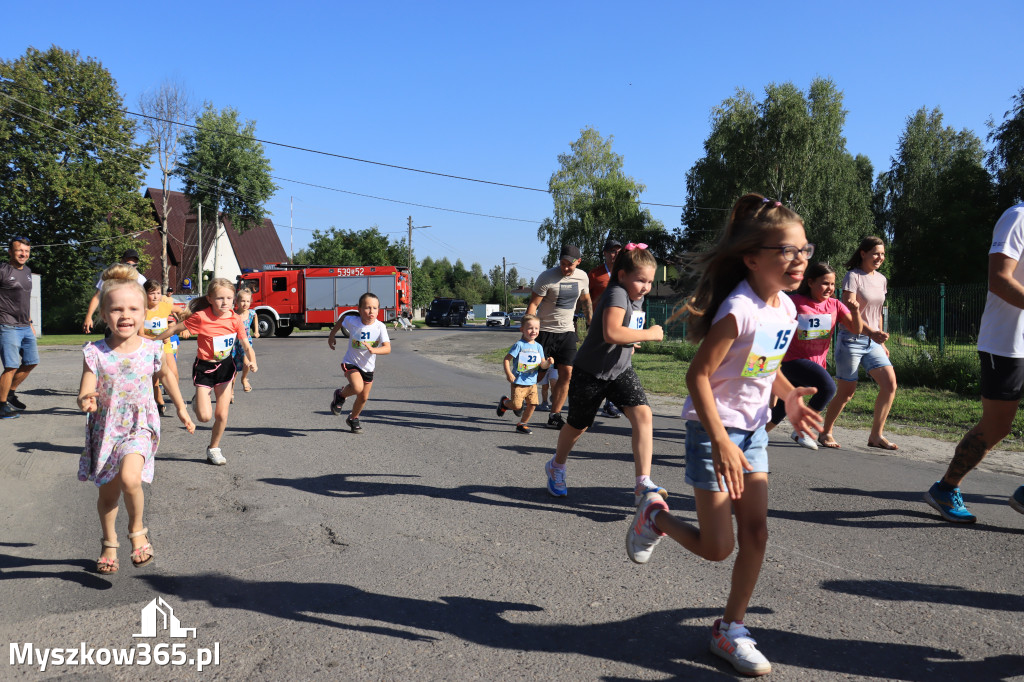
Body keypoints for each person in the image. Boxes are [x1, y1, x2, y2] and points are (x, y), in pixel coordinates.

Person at [626, 195, 821, 677]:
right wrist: (720, 439)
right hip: (713, 429)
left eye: (804, 250)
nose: (799, 261)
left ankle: (729, 629)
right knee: (718, 548)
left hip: (751, 432)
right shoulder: (739, 309)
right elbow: (698, 377)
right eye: (787, 251)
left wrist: (790, 396)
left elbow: (763, 367)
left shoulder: (787, 308)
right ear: (753, 257)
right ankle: (655, 517)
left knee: (756, 532)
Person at [77, 265, 194, 574]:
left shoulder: (153, 348)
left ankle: (138, 531)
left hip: (140, 424)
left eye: (132, 308)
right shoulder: (95, 352)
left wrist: (181, 408)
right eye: (116, 309)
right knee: (108, 495)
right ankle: (109, 541)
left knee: (131, 479)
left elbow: (167, 377)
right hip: (106, 429)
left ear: (144, 313)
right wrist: (85, 399)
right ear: (104, 314)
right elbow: (87, 387)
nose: (125, 315)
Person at [924, 202, 1024, 523]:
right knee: (997, 425)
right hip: (1007, 343)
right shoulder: (1018, 217)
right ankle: (945, 487)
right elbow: (999, 279)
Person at [543, 243, 667, 501]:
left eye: (650, 281)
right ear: (622, 276)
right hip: (590, 372)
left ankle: (643, 482)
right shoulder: (617, 294)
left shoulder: (636, 296)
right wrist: (650, 334)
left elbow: (624, 330)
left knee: (644, 416)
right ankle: (557, 466)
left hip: (619, 370)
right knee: (578, 426)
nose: (646, 286)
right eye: (641, 280)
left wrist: (632, 341)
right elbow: (612, 332)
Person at [155, 278, 256, 465]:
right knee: (204, 417)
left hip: (226, 368)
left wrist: (252, 361)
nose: (225, 302)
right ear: (210, 299)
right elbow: (176, 328)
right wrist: (152, 342)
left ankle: (214, 448)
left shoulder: (235, 319)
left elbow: (245, 343)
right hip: (205, 369)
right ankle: (197, 400)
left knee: (222, 414)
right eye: (220, 298)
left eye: (228, 298)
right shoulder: (201, 317)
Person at [765, 262, 862, 449]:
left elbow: (855, 329)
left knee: (780, 409)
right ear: (810, 282)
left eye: (833, 284)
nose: (830, 288)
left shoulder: (835, 305)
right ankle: (800, 430)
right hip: (792, 361)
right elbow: (773, 325)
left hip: (816, 363)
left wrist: (856, 311)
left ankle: (747, 441)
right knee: (828, 388)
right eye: (825, 283)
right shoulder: (795, 302)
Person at [819, 236, 898, 450]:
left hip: (873, 342)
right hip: (851, 340)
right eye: (875, 253)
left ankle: (876, 436)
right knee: (847, 392)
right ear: (863, 253)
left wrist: (879, 339)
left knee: (890, 384)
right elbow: (846, 313)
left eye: (882, 254)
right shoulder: (853, 277)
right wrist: (873, 333)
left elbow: (878, 311)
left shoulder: (881, 279)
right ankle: (826, 432)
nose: (880, 257)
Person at [526, 244, 592, 430]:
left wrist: (591, 325)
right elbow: (533, 305)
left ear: (578, 262)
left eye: (569, 265)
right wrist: (528, 331)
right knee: (536, 375)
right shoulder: (546, 277)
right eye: (562, 264)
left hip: (567, 332)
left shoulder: (583, 277)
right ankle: (514, 400)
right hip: (544, 332)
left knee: (567, 374)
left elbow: (586, 301)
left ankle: (554, 415)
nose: (565, 268)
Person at [328, 293, 391, 433]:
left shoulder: (380, 327)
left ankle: (353, 418)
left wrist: (374, 350)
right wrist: (331, 336)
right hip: (351, 362)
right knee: (357, 387)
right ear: (359, 309)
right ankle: (340, 395)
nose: (371, 311)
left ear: (378, 310)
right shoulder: (352, 321)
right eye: (367, 308)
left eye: (375, 308)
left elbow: (387, 348)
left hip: (368, 367)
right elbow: (341, 320)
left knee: (363, 397)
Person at [496, 313, 553, 435]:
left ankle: (522, 424)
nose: (533, 331)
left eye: (536, 328)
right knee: (517, 406)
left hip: (532, 382)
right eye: (530, 328)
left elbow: (542, 365)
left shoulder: (538, 347)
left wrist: (548, 363)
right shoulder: (519, 345)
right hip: (519, 382)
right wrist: (508, 374)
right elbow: (507, 359)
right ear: (522, 329)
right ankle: (504, 402)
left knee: (533, 404)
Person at [0, 236, 38, 419]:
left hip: (24, 325)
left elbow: (24, 300)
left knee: (31, 361)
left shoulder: (28, 271)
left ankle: (9, 394)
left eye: (26, 251)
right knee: (11, 366)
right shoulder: (3, 270)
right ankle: (1, 406)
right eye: (19, 250)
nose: (23, 254)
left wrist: (30, 323)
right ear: (10, 252)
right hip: (7, 325)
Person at [589, 237, 625, 419]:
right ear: (604, 253)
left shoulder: (625, 273)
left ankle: (609, 404)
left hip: (620, 326)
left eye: (618, 251)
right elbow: (585, 300)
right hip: (598, 327)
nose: (615, 254)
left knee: (616, 363)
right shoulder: (594, 275)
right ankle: (592, 401)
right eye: (612, 251)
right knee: (597, 365)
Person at [142, 280, 182, 417]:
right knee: (155, 379)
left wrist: (183, 323)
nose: (155, 297)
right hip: (149, 347)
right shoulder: (142, 310)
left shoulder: (165, 306)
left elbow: (180, 310)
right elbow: (139, 333)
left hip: (165, 346)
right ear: (145, 294)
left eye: (158, 293)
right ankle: (159, 402)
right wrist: (156, 338)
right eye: (152, 293)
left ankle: (173, 397)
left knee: (173, 373)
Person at [82, 249, 147, 333]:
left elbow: (147, 302)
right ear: (121, 261)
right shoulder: (110, 277)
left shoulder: (141, 279)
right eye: (128, 264)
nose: (131, 267)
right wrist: (88, 316)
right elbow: (97, 297)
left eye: (134, 265)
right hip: (115, 323)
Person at [232, 288, 259, 396]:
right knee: (234, 369)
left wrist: (256, 330)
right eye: (242, 301)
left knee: (247, 362)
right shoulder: (233, 314)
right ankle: (231, 389)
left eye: (247, 301)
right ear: (237, 301)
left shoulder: (251, 313)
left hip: (246, 342)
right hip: (235, 343)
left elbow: (256, 316)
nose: (245, 303)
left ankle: (244, 379)